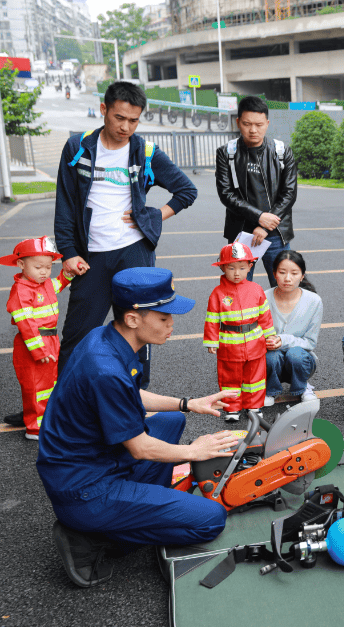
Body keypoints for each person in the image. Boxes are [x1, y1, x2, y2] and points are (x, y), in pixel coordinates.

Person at [36, 267, 241, 588]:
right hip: (85, 491)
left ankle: (137, 507)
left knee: (173, 420)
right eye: (163, 318)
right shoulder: (105, 370)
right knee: (211, 520)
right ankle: (91, 539)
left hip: (91, 463)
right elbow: (140, 447)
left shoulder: (104, 338)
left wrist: (190, 403)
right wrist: (194, 451)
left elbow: (131, 394)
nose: (171, 324)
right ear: (133, 319)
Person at [55, 80, 197, 389]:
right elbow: (65, 203)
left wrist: (153, 215)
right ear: (104, 110)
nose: (126, 126)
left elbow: (186, 190)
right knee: (78, 335)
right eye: (120, 118)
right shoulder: (78, 147)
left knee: (139, 332)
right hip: (91, 256)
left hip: (134, 253)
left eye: (134, 120)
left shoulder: (144, 151)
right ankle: (63, 404)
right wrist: (68, 252)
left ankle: (134, 401)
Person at [215, 95, 298, 287]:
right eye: (247, 124)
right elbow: (226, 194)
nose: (253, 130)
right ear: (238, 122)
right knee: (237, 290)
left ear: (267, 123)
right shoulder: (227, 153)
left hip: (276, 234)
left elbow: (289, 193)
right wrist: (259, 217)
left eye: (259, 124)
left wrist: (266, 225)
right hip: (241, 235)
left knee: (283, 288)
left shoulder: (282, 151)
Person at [3, 237, 74, 440]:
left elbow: (58, 284)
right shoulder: (22, 290)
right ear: (21, 264)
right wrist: (39, 350)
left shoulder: (43, 283)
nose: (44, 272)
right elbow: (26, 324)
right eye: (38, 267)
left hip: (50, 341)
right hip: (34, 344)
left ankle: (45, 420)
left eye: (48, 267)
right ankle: (34, 428)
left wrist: (68, 274)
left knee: (49, 384)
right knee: (35, 386)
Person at [203, 242, 277, 421]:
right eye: (231, 268)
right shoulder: (218, 293)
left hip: (255, 344)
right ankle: (232, 409)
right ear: (222, 268)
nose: (237, 273)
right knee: (230, 378)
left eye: (242, 268)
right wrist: (212, 341)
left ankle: (254, 406)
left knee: (255, 378)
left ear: (250, 267)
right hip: (229, 345)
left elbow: (264, 316)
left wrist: (270, 335)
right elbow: (212, 320)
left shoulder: (256, 289)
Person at [264, 250, 322, 407]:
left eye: (294, 273)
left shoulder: (314, 301)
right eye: (282, 272)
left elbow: (310, 343)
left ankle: (302, 387)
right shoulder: (263, 298)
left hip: (300, 360)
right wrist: (267, 342)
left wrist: (283, 340)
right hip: (270, 359)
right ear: (274, 273)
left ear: (302, 276)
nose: (287, 278)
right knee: (271, 355)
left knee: (295, 354)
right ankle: (270, 390)